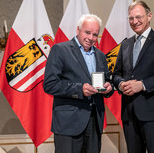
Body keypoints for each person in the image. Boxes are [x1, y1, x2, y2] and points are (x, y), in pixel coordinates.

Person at [112, 0, 154, 153]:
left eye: (138, 17)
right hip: (129, 113)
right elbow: (115, 74)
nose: (134, 22)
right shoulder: (125, 45)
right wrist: (121, 84)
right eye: (131, 18)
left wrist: (142, 85)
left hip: (153, 113)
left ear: (149, 16)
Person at [43, 14, 114, 153]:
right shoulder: (60, 50)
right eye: (87, 32)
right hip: (68, 123)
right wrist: (79, 89)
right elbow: (50, 84)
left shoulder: (100, 55)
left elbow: (107, 81)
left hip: (94, 122)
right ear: (78, 30)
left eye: (95, 34)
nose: (91, 38)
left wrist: (109, 88)